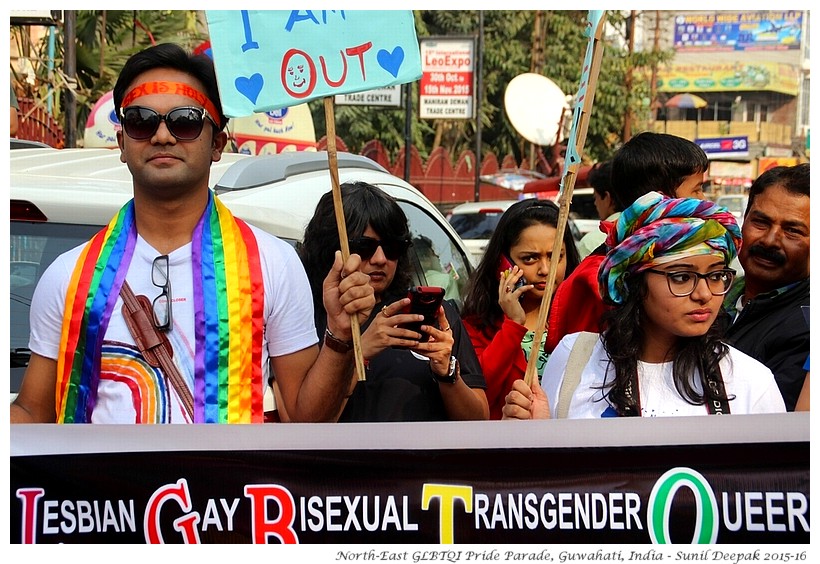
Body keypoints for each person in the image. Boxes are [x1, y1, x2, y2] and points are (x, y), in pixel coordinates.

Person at [10, 43, 375, 424]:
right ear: (122, 143)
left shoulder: (273, 264)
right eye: (141, 120)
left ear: (217, 142)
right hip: (103, 485)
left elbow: (306, 420)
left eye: (184, 120)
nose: (163, 136)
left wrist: (339, 334)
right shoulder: (69, 276)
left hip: (223, 484)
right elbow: (33, 412)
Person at [503, 191, 786, 420]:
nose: (704, 294)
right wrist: (538, 435)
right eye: (682, 277)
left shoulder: (750, 382)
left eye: (716, 276)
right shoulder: (575, 359)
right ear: (633, 282)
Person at [297, 180, 488, 422]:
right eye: (363, 247)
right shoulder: (303, 318)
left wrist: (448, 374)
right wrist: (358, 352)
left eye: (392, 247)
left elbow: (478, 421)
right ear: (330, 248)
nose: (379, 259)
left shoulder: (431, 314)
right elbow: (306, 424)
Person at [546, 131, 709, 353]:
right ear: (658, 202)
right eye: (697, 189)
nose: (703, 200)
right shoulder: (603, 277)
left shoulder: (678, 255)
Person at [461, 198, 580, 420]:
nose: (545, 269)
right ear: (503, 262)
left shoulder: (584, 319)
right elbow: (479, 398)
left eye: (556, 257)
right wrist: (513, 324)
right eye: (530, 258)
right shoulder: (476, 327)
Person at [720, 163, 810, 411]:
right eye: (761, 222)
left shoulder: (807, 328)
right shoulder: (714, 294)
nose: (770, 240)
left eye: (792, 231)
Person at [576, 160, 616, 259]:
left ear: (607, 198)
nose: (595, 203)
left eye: (595, 197)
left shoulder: (590, 243)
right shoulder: (649, 232)